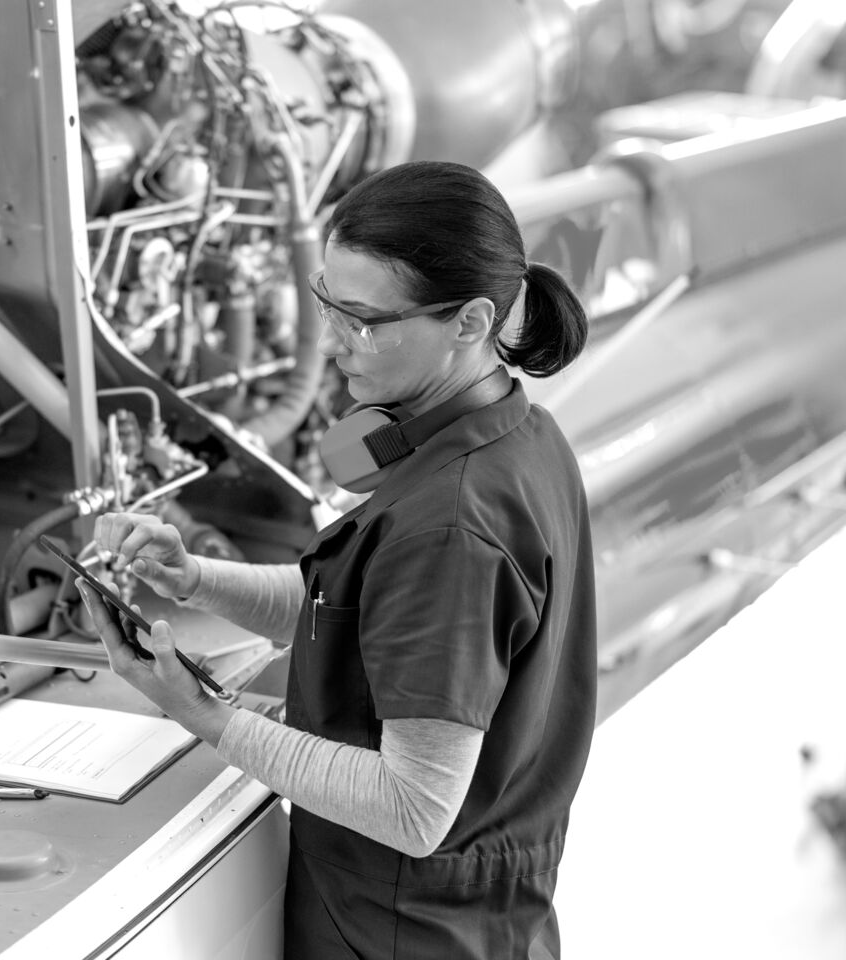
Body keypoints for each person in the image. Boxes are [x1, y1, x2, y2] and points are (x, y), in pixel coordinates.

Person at [78, 160, 597, 960]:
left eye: (362, 321)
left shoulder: (452, 525)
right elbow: (356, 609)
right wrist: (195, 580)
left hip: (403, 935)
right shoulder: (512, 433)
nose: (333, 344)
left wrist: (208, 715)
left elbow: (413, 808)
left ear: (469, 322)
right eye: (326, 301)